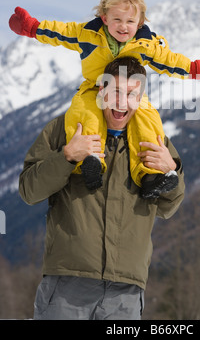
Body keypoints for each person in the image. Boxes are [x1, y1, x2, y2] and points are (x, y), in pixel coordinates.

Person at [10, 0, 200, 198]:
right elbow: (59, 32)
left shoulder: (146, 45)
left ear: (139, 23)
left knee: (149, 120)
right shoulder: (87, 35)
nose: (123, 26)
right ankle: (90, 161)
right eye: (117, 20)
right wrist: (31, 27)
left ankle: (149, 175)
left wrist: (197, 68)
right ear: (104, 18)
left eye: (130, 22)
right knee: (86, 115)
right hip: (94, 88)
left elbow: (170, 61)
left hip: (132, 93)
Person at [19, 56, 185, 320]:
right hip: (67, 286)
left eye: (131, 94)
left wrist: (171, 171)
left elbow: (168, 207)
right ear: (101, 91)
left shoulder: (155, 140)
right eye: (116, 91)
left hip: (126, 292)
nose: (122, 102)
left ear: (140, 98)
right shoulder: (64, 130)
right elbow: (29, 190)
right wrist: (66, 157)